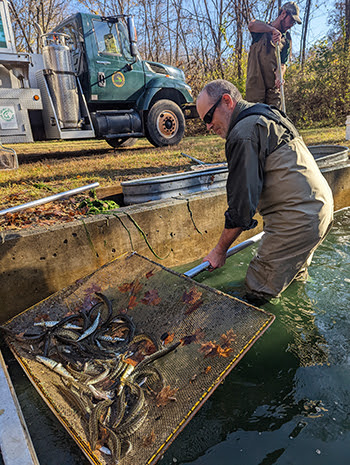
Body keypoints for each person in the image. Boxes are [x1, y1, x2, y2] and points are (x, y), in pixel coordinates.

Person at [196, 79, 333, 304]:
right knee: (293, 282)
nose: (208, 127)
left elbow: (242, 206)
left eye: (209, 118)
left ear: (227, 101)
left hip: (296, 221)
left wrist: (219, 250)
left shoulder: (243, 133)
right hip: (320, 210)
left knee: (257, 289)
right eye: (204, 123)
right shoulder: (268, 115)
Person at [246, 1, 301, 109]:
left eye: (294, 23)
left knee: (276, 116)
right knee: (256, 117)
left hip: (273, 87)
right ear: (283, 14)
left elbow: (283, 64)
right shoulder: (261, 28)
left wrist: (279, 74)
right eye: (291, 20)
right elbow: (251, 25)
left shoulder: (286, 39)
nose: (291, 25)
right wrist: (272, 30)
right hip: (255, 85)